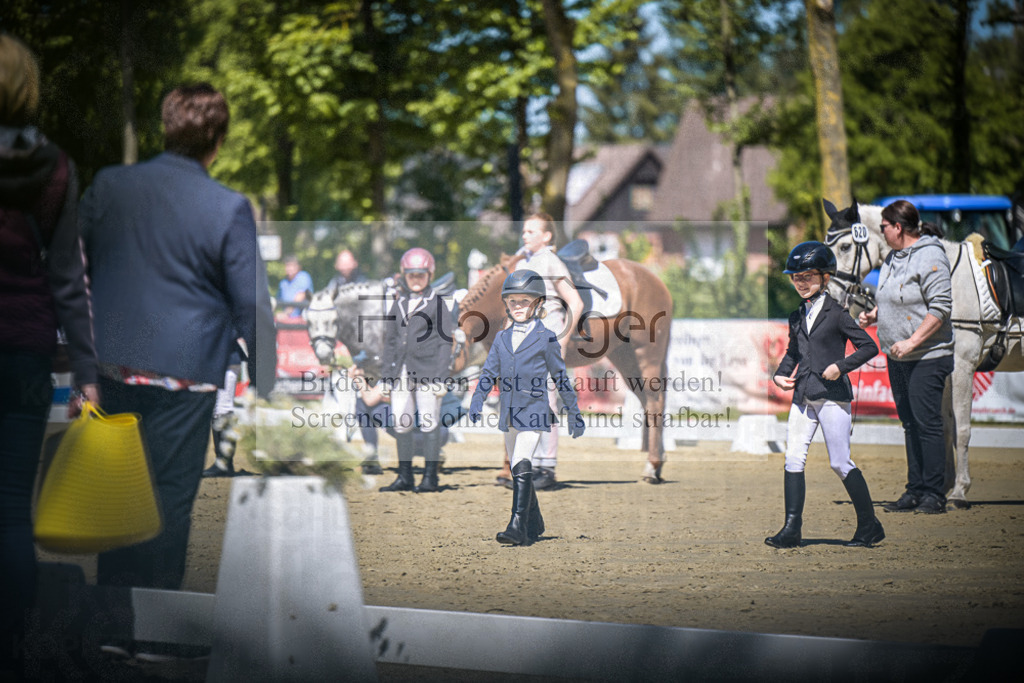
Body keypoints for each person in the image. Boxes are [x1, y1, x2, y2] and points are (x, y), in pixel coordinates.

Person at [80, 83, 276, 590]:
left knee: (120, 497)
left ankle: (114, 626)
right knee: (168, 501)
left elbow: (75, 269)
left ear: (165, 127)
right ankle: (155, 635)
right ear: (219, 139)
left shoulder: (107, 185)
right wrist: (265, 377)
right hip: (186, 372)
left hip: (113, 363)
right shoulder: (228, 206)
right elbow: (250, 300)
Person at [0, 34, 99, 675]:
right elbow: (69, 279)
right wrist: (87, 372)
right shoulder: (57, 168)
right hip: (26, 353)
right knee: (12, 508)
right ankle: (8, 651)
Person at [767, 242, 883, 548]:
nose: (801, 282)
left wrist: (841, 367)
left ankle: (869, 525)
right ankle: (792, 528)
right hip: (803, 395)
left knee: (839, 462)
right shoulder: (795, 316)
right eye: (796, 277)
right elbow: (793, 353)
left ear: (826, 278)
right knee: (793, 457)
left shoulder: (838, 314)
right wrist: (780, 373)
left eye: (808, 276)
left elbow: (870, 347)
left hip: (832, 395)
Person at [469, 269, 585, 546]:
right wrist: (477, 399)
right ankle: (535, 521)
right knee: (518, 470)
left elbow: (560, 376)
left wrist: (574, 413)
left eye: (524, 301)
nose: (518, 307)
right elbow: (488, 373)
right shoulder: (501, 339)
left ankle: (518, 525)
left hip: (534, 409)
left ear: (538, 303)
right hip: (508, 411)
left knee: (521, 462)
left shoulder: (546, 338)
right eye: (513, 301)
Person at [859, 200, 954, 514]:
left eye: (884, 226)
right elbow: (894, 297)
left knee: (927, 424)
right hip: (897, 355)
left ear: (898, 227)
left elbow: (940, 308)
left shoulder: (930, 256)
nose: (881, 231)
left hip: (927, 355)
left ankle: (934, 493)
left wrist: (913, 341)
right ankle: (914, 489)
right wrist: (876, 314)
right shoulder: (892, 258)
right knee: (910, 424)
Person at [506, 212, 583, 490]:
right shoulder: (526, 262)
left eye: (531, 232)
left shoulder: (550, 261)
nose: (524, 235)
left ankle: (547, 468)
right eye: (524, 231)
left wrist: (562, 339)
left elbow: (575, 302)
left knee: (545, 405)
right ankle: (528, 466)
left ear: (547, 236)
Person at [378, 247, 452, 493]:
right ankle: (405, 475)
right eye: (412, 275)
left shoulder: (437, 303)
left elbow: (444, 342)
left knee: (430, 421)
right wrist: (386, 377)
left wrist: (441, 377)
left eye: (421, 275)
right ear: (404, 276)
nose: (416, 280)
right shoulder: (398, 305)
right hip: (401, 372)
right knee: (402, 421)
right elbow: (389, 342)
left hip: (428, 371)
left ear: (429, 275)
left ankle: (430, 477)